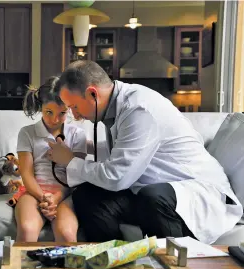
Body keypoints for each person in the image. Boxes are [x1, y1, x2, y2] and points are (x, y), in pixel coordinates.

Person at [47, 60, 243, 244]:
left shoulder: (139, 108)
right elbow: (124, 155)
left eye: (74, 106)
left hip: (196, 193)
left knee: (153, 196)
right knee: (87, 195)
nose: (75, 115)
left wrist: (70, 161)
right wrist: (81, 148)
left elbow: (117, 177)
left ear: (92, 94)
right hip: (150, 190)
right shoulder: (114, 110)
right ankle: (112, 263)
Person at [14, 76, 87, 242]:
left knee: (67, 234)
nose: (55, 119)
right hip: (33, 193)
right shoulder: (27, 133)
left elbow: (77, 176)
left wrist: (56, 197)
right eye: (49, 112)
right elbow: (26, 174)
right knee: (27, 230)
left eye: (62, 113)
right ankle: (22, 268)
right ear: (41, 107)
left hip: (65, 194)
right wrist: (43, 198)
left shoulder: (77, 135)